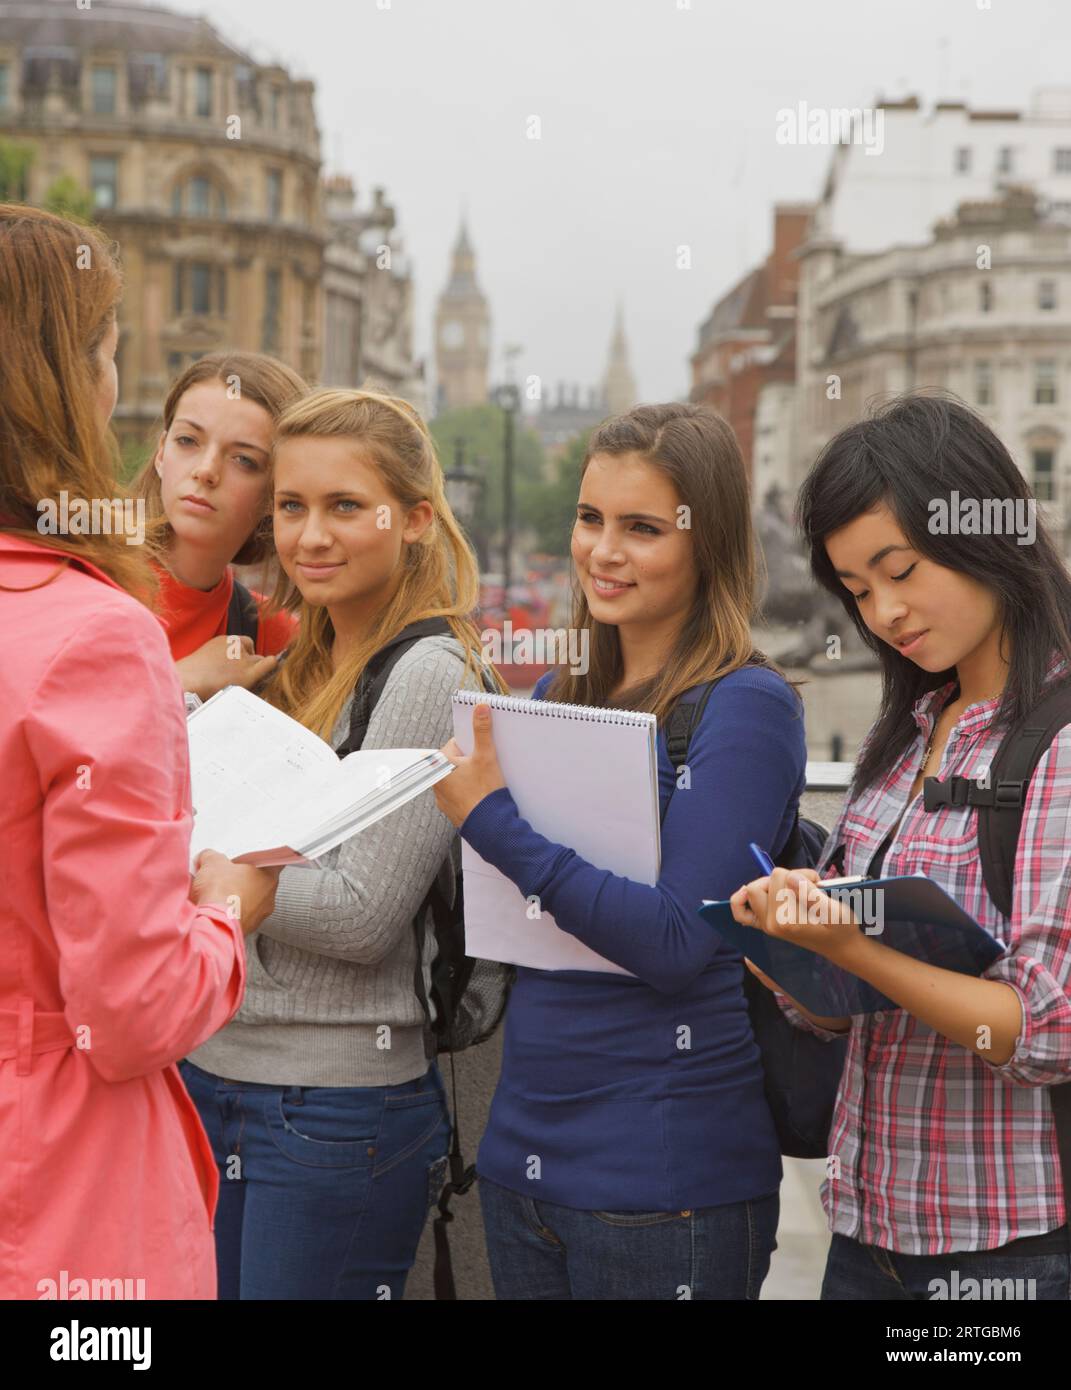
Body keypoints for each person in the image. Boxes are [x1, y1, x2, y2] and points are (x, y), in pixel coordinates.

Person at [434, 402, 807, 1300]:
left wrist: (490, 820)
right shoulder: (566, 690)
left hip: (665, 1188)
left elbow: (678, 943)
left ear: (706, 541)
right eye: (590, 518)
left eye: (641, 528)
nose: (603, 551)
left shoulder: (747, 704)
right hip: (522, 1165)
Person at [732, 393, 1071, 1300]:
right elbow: (845, 1013)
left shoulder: (1057, 740)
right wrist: (792, 948)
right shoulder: (911, 728)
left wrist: (851, 945)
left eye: (900, 570)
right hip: (868, 1226)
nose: (882, 612)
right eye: (855, 588)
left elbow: (1040, 1029)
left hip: (1007, 1248)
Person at [0, 203, 279, 1300]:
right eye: (108, 350)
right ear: (69, 380)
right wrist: (227, 910)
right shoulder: (94, 634)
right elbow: (132, 1008)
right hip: (61, 1194)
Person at [179, 387, 503, 1300]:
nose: (309, 535)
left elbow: (365, 916)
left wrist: (198, 872)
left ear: (414, 520)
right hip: (216, 1072)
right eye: (290, 507)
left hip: (329, 1107)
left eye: (343, 507)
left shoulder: (427, 671)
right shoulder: (298, 660)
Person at [131, 352, 306, 703]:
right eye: (188, 441)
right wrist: (177, 680)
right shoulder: (77, 579)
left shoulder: (270, 631)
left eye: (244, 460)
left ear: (277, 492)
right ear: (161, 452)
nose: (206, 470)